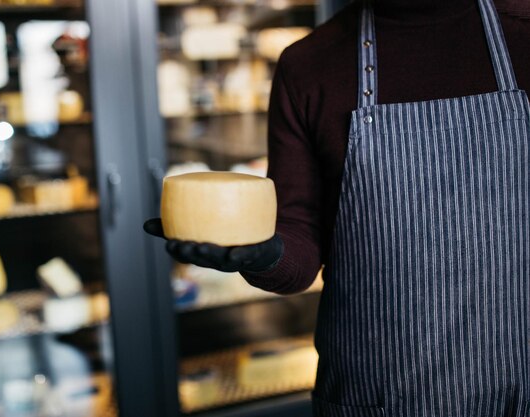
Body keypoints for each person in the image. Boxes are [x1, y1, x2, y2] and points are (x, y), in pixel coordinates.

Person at [145, 0, 530, 415]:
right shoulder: (310, 63)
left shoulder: (522, 34)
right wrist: (265, 255)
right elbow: (300, 237)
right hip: (379, 393)